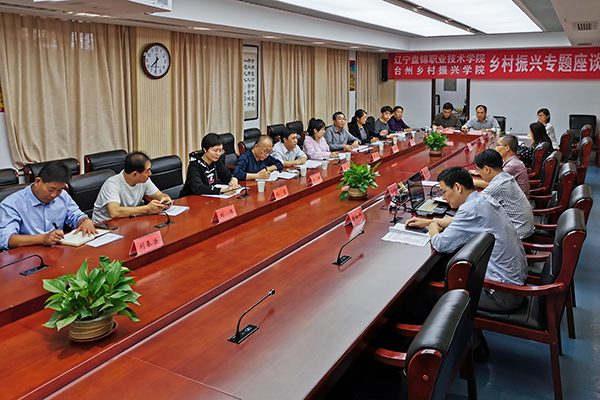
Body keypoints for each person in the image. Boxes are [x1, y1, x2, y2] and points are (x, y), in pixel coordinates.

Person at [405, 166, 527, 360]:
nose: (444, 197)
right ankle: (472, 341)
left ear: (458, 187)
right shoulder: (483, 200)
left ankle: (464, 348)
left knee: (424, 292)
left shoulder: (470, 209)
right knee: (444, 269)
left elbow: (441, 243)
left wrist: (433, 227)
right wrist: (427, 222)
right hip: (512, 282)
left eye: (444, 191)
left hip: (502, 294)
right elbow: (461, 221)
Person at [0, 161, 97, 250]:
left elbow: (76, 215)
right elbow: (6, 240)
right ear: (38, 182)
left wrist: (85, 221)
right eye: (51, 189)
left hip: (56, 251)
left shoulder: (62, 196)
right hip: (27, 256)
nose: (54, 195)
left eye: (59, 190)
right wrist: (43, 238)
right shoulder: (12, 204)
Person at [93, 152, 172, 222]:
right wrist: (147, 209)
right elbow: (114, 212)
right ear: (135, 174)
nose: (150, 173)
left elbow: (159, 195)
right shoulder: (112, 184)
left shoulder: (144, 180)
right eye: (147, 170)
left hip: (127, 221)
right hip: (105, 226)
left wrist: (164, 198)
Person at [473, 150, 534, 240]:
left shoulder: (497, 186)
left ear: (487, 169)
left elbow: (472, 205)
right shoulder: (506, 177)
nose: (479, 173)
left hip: (518, 236)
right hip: (525, 228)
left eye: (479, 170)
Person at [493, 134, 530, 198]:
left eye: (498, 145)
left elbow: (492, 184)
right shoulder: (512, 160)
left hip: (515, 201)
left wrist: (474, 181)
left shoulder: (512, 165)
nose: (495, 148)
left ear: (507, 148)